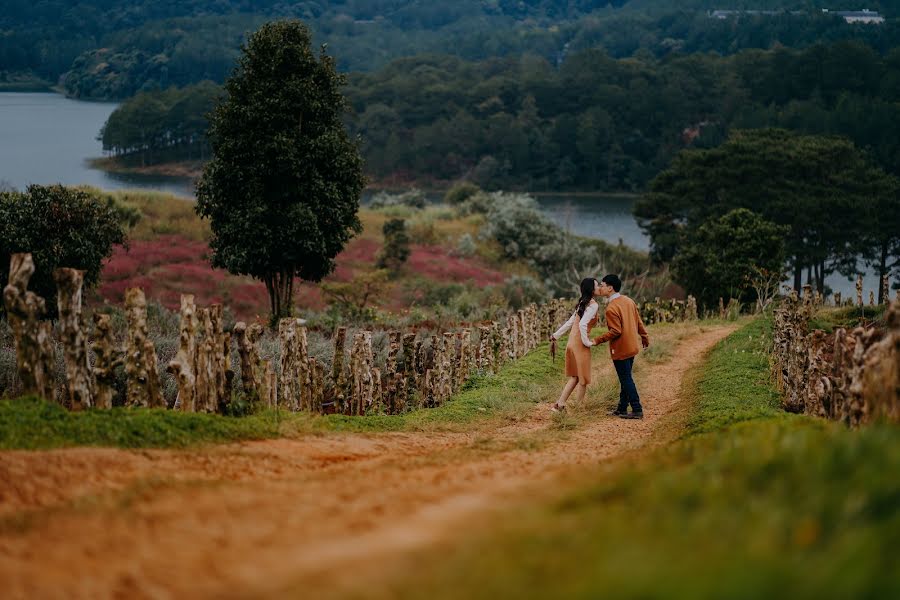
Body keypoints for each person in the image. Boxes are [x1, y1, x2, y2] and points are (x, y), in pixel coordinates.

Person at [593, 274, 650, 419]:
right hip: (632, 346)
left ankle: (637, 409)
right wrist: (644, 336)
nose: (600, 287)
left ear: (610, 288)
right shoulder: (629, 301)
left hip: (621, 348)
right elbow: (638, 322)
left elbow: (615, 331)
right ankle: (622, 408)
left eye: (602, 285)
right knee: (626, 377)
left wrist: (597, 340)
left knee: (626, 379)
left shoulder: (611, 308)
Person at [548, 278, 601, 412]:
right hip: (580, 343)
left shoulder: (582, 303)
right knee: (583, 377)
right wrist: (587, 342)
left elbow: (571, 322)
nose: (599, 286)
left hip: (572, 342)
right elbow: (582, 324)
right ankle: (579, 409)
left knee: (576, 376)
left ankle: (559, 405)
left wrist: (556, 335)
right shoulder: (593, 305)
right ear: (591, 289)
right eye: (596, 285)